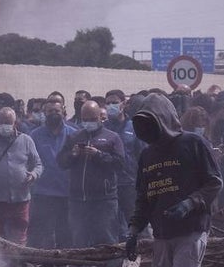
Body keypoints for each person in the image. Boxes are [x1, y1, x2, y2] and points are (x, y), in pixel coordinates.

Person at [124, 94, 222, 267]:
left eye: (151, 122)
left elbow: (214, 183)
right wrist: (134, 230)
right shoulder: (147, 155)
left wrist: (189, 204)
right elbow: (144, 199)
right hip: (162, 234)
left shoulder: (193, 143)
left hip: (191, 231)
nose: (147, 129)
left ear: (165, 119)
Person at [57, 101, 127, 251]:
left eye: (92, 119)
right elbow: (61, 162)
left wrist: (98, 155)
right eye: (85, 119)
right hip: (78, 200)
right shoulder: (74, 137)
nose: (88, 123)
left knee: (106, 241)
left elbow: (120, 164)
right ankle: (79, 266)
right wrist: (73, 154)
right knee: (79, 241)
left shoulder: (112, 137)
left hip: (104, 200)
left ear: (100, 117)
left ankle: (109, 266)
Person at [0, 107, 42, 245]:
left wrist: (34, 174)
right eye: (2, 122)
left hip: (20, 198)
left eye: (8, 122)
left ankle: (18, 258)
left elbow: (38, 164)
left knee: (19, 235)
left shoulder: (26, 140)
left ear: (15, 123)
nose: (5, 126)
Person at [27, 98, 75, 254]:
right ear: (44, 113)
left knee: (65, 235)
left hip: (67, 193)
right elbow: (29, 162)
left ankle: (64, 266)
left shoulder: (73, 134)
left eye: (57, 111)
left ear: (63, 111)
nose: (54, 114)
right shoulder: (34, 135)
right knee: (41, 235)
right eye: (50, 111)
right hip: (42, 194)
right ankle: (40, 265)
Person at [104, 89, 143, 227]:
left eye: (114, 102)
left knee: (135, 224)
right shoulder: (103, 128)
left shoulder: (135, 127)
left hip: (130, 184)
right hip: (108, 185)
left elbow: (142, 155)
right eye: (108, 103)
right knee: (110, 226)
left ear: (124, 104)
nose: (111, 106)